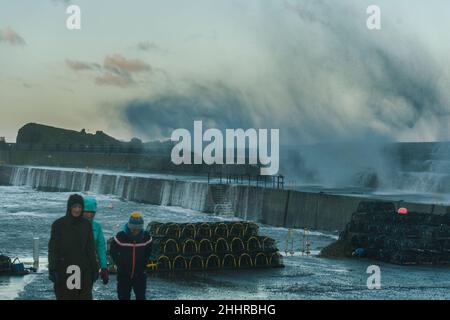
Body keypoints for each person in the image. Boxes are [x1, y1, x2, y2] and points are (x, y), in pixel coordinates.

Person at [48, 194, 99, 300]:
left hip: (84, 270)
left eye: (80, 207)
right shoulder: (59, 225)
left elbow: (90, 249)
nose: (77, 210)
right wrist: (52, 268)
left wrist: (95, 268)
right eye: (75, 206)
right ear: (69, 207)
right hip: (65, 270)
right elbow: (53, 249)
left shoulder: (86, 225)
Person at [110, 212, 152, 300]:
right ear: (129, 226)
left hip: (140, 275)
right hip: (123, 275)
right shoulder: (120, 236)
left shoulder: (146, 237)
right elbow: (113, 250)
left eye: (138, 229)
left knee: (141, 297)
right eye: (133, 228)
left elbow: (148, 251)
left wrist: (144, 264)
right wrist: (119, 263)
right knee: (123, 297)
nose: (135, 231)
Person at [83, 196, 109, 285]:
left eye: (92, 212)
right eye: (87, 212)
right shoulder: (73, 226)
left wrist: (104, 267)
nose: (90, 215)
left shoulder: (97, 227)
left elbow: (101, 248)